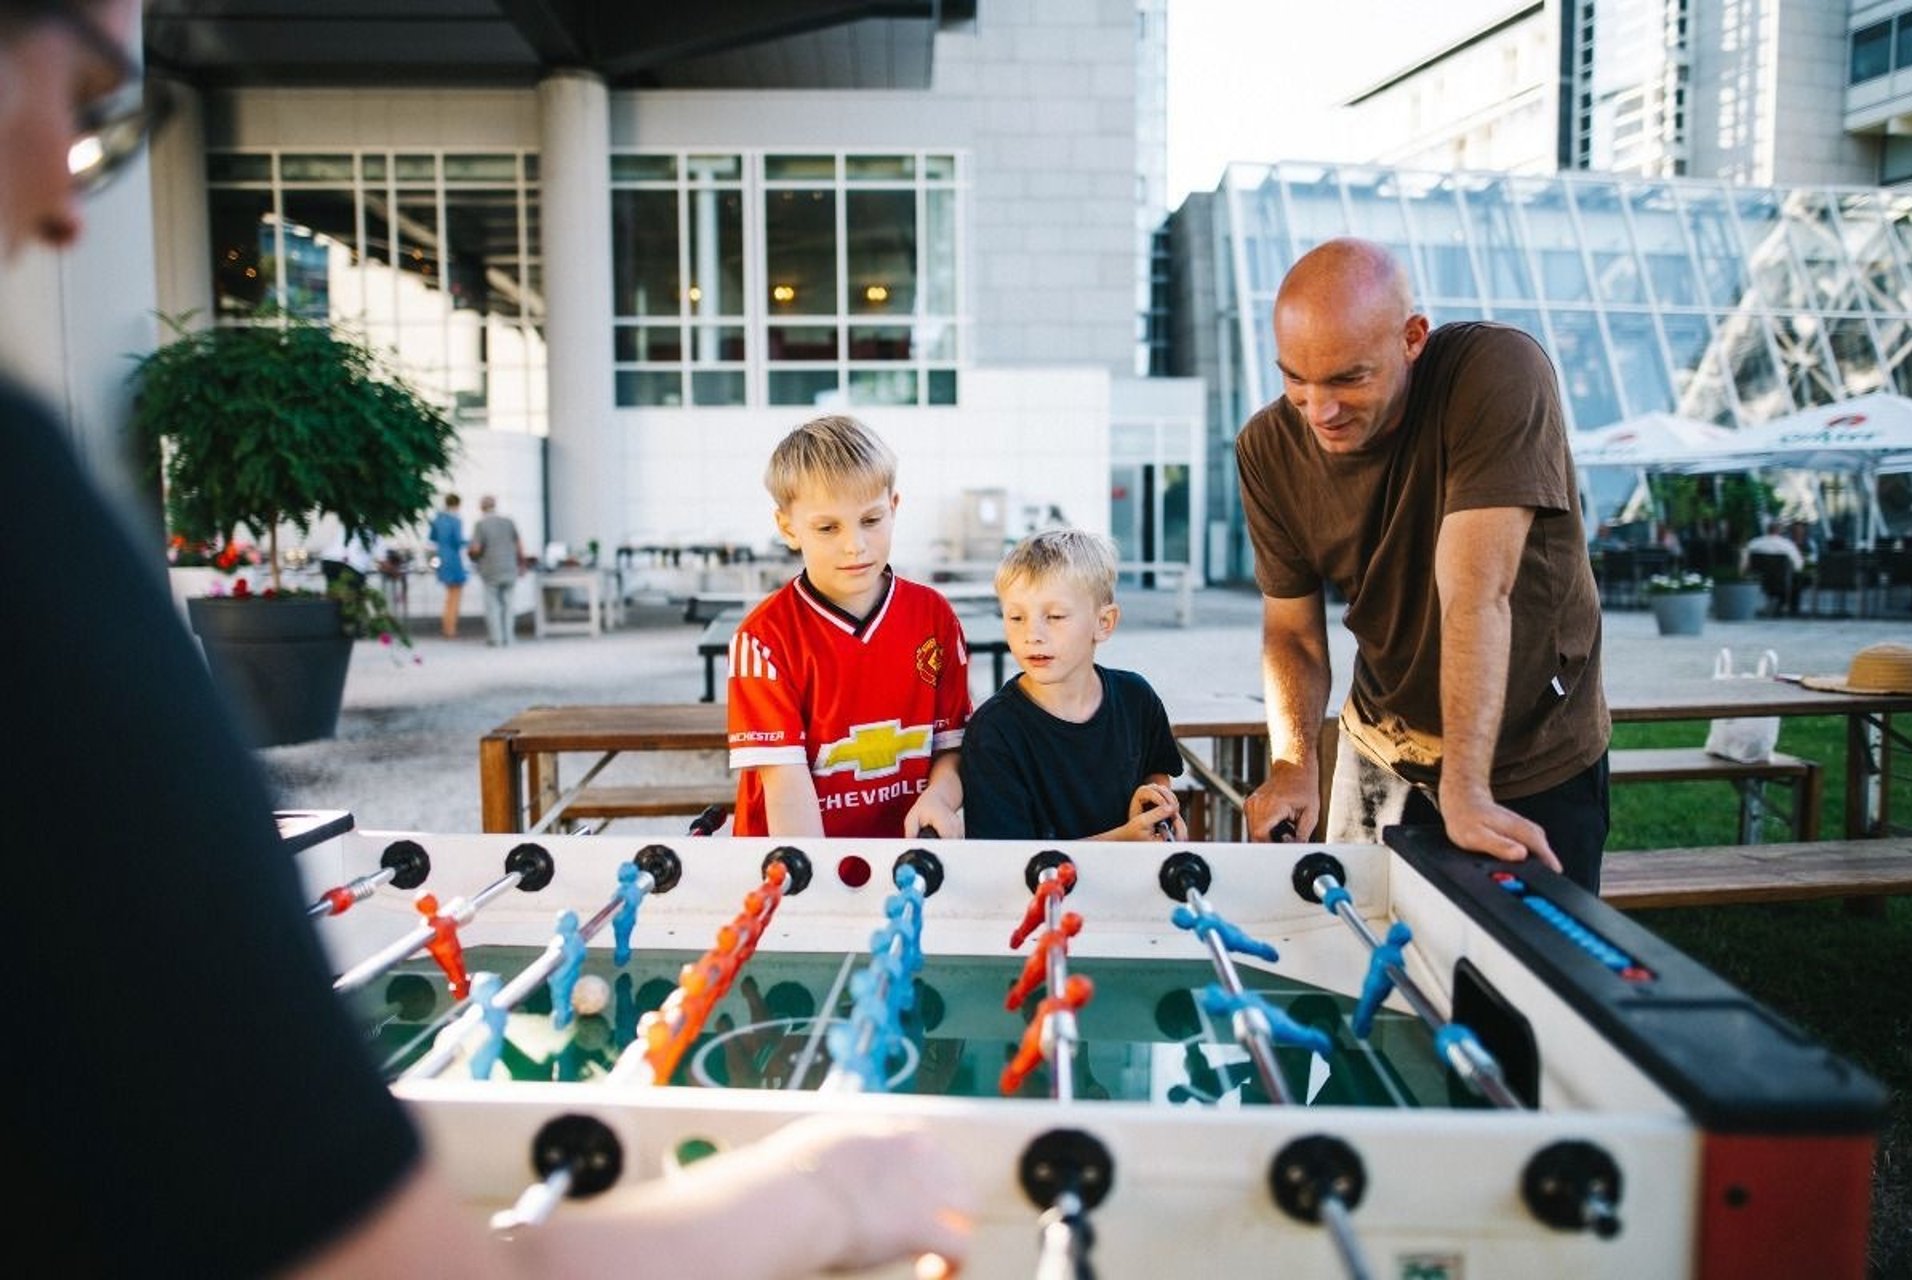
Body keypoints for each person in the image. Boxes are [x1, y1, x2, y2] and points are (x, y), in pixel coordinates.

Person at [0, 5, 975, 1276]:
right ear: (788, 527)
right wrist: (826, 1194)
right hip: (797, 890)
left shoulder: (931, 618)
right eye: (82, 96)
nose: (72, 208)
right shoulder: (30, 519)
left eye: (109, 122)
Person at [1236, 237, 1610, 891]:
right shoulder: (1266, 449)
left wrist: (1466, 787)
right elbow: (1293, 634)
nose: (1319, 410)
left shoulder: (1496, 373)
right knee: (1359, 942)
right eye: (1295, 378)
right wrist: (1294, 763)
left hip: (1534, 752)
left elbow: (1475, 593)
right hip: (1381, 749)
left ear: (1412, 338)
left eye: (1348, 378)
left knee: (1516, 957)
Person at [726, 414, 970, 838]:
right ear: (788, 527)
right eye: (828, 528)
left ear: (893, 507)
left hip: (904, 860)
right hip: (799, 863)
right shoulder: (763, 640)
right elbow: (786, 788)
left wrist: (940, 798)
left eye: (871, 521)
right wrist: (816, 876)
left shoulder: (934, 617)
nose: (854, 545)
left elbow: (951, 749)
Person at [960, 528, 1187, 841]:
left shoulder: (1137, 698)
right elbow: (1010, 860)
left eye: (1054, 616)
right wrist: (1125, 840)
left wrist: (1157, 810)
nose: (1032, 635)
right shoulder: (993, 732)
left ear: (1104, 623)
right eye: (1016, 617)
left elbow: (1156, 769)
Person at [467, 493, 526, 647]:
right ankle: (509, 638)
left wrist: (471, 555)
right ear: (495, 506)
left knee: (492, 605)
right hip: (510, 568)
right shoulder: (508, 522)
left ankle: (496, 639)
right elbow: (519, 545)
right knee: (509, 604)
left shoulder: (480, 525)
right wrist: (522, 564)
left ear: (481, 508)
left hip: (491, 570)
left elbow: (476, 549)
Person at [1742, 518, 1806, 616]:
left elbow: (1745, 562)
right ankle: (1792, 609)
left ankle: (1775, 602)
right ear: (1779, 530)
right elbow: (1798, 565)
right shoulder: (1787, 545)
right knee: (1797, 580)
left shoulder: (1753, 543)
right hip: (1781, 580)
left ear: (1767, 530)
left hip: (1759, 579)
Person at [427, 492, 468, 639]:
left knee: (449, 595)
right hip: (453, 559)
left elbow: (432, 538)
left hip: (441, 558)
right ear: (457, 505)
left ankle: (447, 626)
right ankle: (450, 629)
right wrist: (471, 542)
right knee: (455, 595)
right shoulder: (456, 521)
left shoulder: (437, 519)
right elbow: (458, 541)